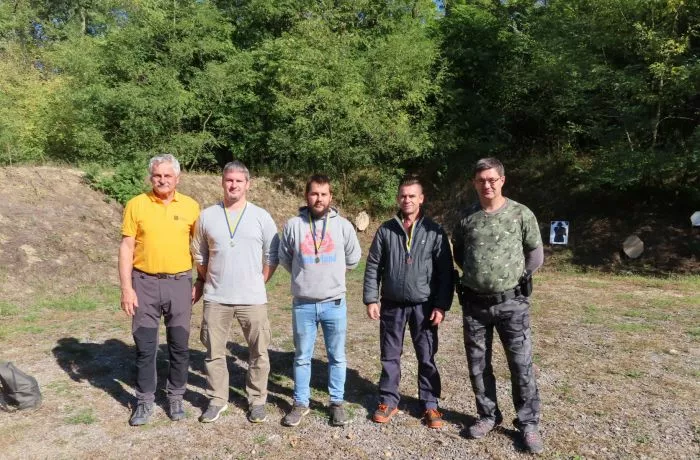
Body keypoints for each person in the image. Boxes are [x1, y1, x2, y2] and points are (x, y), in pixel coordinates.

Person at [452, 157, 545, 454]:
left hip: (512, 304)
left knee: (521, 364)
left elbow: (535, 254)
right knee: (478, 366)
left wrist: (517, 279)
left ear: (502, 180)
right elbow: (460, 255)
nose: (487, 185)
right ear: (474, 183)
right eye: (481, 180)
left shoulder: (520, 214)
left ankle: (528, 423)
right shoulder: (466, 217)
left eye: (492, 179)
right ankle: (487, 415)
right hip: (475, 305)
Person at [190, 161, 279, 424]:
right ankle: (217, 400)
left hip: (252, 298)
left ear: (248, 184)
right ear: (222, 182)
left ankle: (257, 400)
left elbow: (271, 254)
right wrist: (210, 279)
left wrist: (260, 280)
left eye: (239, 181)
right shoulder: (207, 216)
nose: (233, 185)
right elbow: (199, 254)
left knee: (259, 352)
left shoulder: (261, 216)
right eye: (229, 180)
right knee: (213, 352)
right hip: (216, 298)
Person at [363, 175, 454, 429]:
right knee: (390, 355)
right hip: (392, 304)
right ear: (398, 198)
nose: (407, 200)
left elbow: (445, 272)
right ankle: (388, 400)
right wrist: (371, 298)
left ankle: (430, 403)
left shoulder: (434, 231)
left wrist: (441, 305)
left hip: (424, 305)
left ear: (421, 199)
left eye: (412, 195)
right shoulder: (386, 229)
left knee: (427, 355)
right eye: (403, 195)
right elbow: (373, 265)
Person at [118, 154, 200, 426]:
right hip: (144, 283)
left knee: (179, 345)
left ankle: (175, 396)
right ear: (150, 177)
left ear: (177, 178)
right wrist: (126, 288)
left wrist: (200, 281)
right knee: (145, 346)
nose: (162, 180)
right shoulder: (136, 204)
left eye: (167, 175)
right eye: (157, 175)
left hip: (179, 284)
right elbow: (126, 247)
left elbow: (199, 248)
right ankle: (144, 400)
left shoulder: (191, 206)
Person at [278, 174, 361, 427]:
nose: (319, 198)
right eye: (314, 193)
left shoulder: (343, 226)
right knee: (302, 356)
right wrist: (304, 278)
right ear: (307, 195)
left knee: (337, 356)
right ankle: (300, 403)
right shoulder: (294, 225)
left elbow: (354, 258)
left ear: (330, 197)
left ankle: (336, 403)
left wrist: (332, 276)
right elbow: (284, 257)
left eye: (324, 194)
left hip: (334, 303)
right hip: (303, 304)